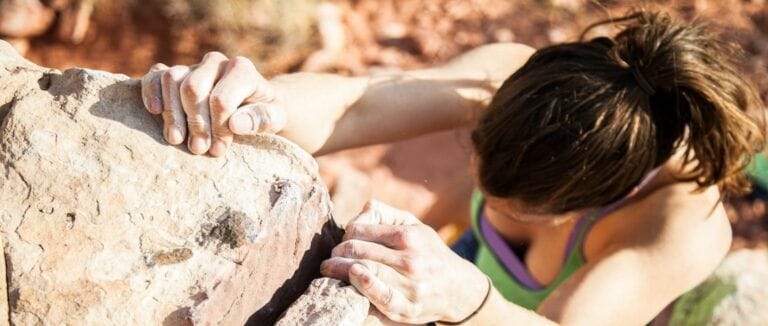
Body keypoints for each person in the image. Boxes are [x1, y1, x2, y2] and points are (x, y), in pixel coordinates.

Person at [140, 11, 765, 325]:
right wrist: (255, 102)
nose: (489, 197)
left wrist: (466, 294)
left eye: (514, 208)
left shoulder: (681, 227)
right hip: (473, 271)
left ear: (589, 203)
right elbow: (360, 105)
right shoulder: (507, 77)